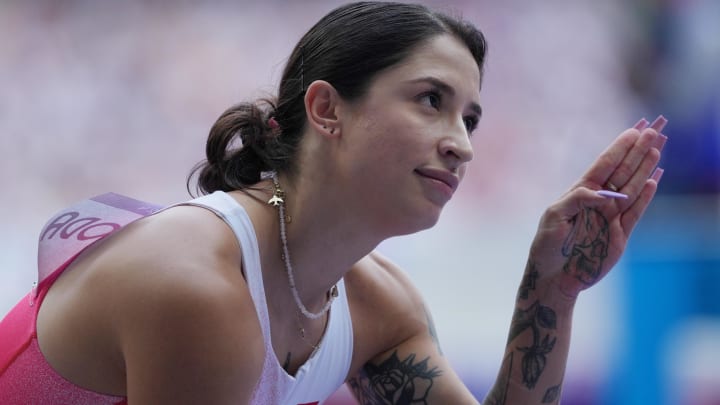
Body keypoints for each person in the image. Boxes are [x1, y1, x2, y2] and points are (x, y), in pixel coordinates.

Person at [0, 1, 667, 404]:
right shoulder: (197, 285)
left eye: (471, 120)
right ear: (326, 109)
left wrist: (551, 290)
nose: (461, 144)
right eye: (431, 100)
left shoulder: (377, 307)